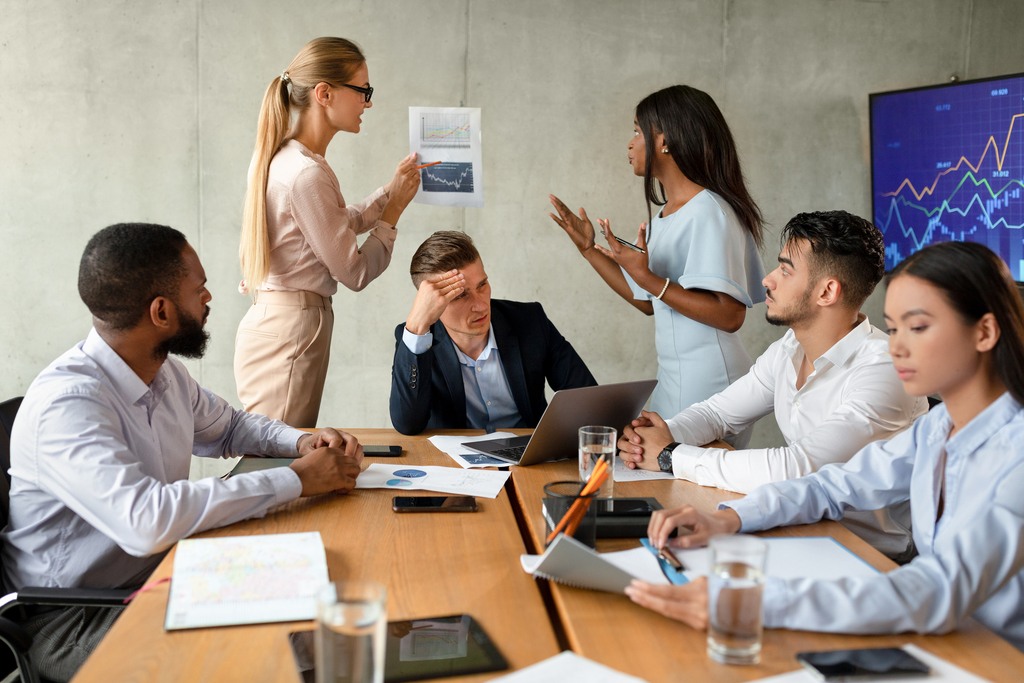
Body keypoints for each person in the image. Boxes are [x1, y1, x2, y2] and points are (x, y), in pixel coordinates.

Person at [1, 224, 364, 681]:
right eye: (199, 289)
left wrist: (299, 442)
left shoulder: (162, 372)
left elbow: (230, 426)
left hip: (160, 574)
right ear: (161, 311)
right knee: (296, 638)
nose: (209, 297)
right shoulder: (67, 405)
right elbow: (146, 521)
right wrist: (297, 478)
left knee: (325, 595)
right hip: (73, 619)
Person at [629, 241, 1024, 650]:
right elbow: (832, 485)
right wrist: (729, 519)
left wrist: (755, 601)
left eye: (918, 327)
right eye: (893, 329)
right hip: (952, 637)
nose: (898, 347)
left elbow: (940, 587)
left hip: (999, 658)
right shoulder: (940, 427)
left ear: (985, 332)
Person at [618, 211, 928, 561]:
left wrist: (670, 455)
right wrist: (658, 436)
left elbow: (795, 467)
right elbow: (718, 413)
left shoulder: (885, 369)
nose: (767, 280)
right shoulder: (789, 349)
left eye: (785, 269)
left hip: (870, 557)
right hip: (800, 530)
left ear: (827, 291)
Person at [549, 85, 765, 432]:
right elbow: (648, 301)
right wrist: (588, 249)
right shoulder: (665, 216)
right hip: (673, 379)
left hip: (710, 383)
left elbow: (730, 314)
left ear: (665, 140)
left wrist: (651, 280)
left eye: (637, 131)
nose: (630, 143)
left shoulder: (709, 212)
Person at [234, 36, 421, 427]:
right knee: (281, 464)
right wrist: (394, 212)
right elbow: (353, 272)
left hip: (281, 326)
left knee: (277, 460)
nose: (367, 102)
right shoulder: (306, 173)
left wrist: (390, 191)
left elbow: (330, 226)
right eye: (362, 91)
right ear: (324, 93)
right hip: (291, 332)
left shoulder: (282, 158)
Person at [389, 230, 597, 435]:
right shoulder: (417, 340)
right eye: (460, 296)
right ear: (431, 302)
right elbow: (408, 424)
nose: (480, 305)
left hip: (528, 458)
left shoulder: (530, 320)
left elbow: (586, 399)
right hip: (456, 463)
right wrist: (416, 329)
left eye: (482, 285)